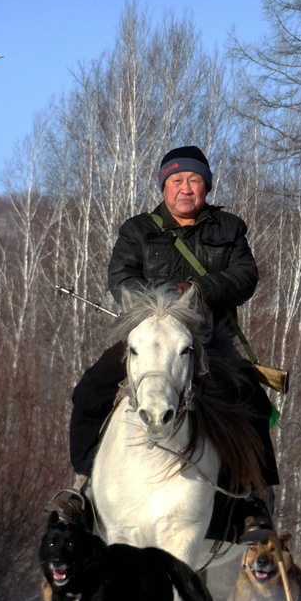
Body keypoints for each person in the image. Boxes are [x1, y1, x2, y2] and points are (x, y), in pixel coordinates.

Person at [63, 146, 278, 543]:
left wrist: (199, 290)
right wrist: (160, 302)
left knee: (250, 398)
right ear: (164, 187)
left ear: (206, 187)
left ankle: (251, 501)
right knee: (90, 391)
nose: (185, 188)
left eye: (194, 180)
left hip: (211, 340)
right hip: (149, 334)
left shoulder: (229, 229)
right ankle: (82, 486)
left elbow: (245, 276)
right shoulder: (137, 230)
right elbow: (121, 277)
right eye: (176, 180)